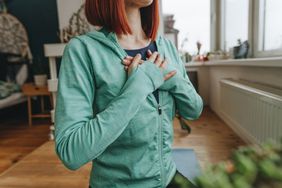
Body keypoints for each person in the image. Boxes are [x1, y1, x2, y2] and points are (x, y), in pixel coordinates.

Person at [54, 0, 203, 187]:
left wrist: (173, 79)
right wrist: (140, 85)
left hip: (168, 176)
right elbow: (71, 152)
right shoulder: (83, 50)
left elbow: (194, 110)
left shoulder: (166, 47)